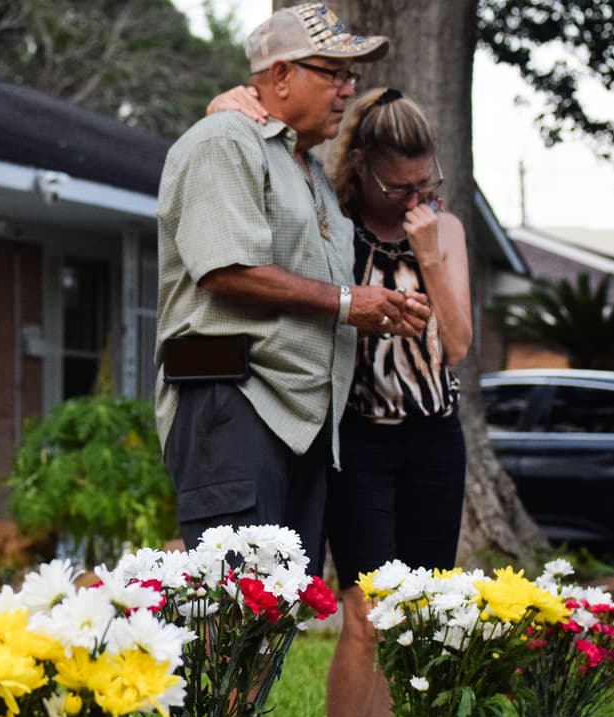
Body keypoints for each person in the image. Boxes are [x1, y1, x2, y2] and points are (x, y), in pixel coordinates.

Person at [208, 85, 472, 717]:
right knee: (366, 613)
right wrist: (225, 105)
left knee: (418, 614)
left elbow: (457, 344)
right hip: (357, 439)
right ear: (364, 169)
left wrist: (430, 254)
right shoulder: (332, 225)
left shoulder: (446, 228)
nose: (414, 199)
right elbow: (263, 146)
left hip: (436, 439)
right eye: (398, 187)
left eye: (424, 182)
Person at [155, 1, 431, 582]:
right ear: (279, 76)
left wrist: (375, 306)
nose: (346, 89)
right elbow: (225, 270)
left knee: (273, 613)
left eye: (350, 77)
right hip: (234, 402)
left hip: (300, 420)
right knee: (232, 614)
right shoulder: (225, 141)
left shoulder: (304, 168)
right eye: (332, 73)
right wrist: (351, 303)